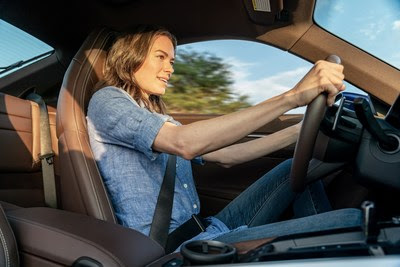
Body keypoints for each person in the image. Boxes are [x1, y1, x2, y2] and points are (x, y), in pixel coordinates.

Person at [86, 25, 361, 253]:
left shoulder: (156, 116)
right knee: (352, 224)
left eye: (171, 61)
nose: (170, 68)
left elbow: (229, 157)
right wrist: (292, 97)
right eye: (160, 57)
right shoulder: (108, 100)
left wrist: (301, 129)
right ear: (130, 56)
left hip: (206, 229)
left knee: (293, 171)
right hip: (177, 250)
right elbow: (184, 143)